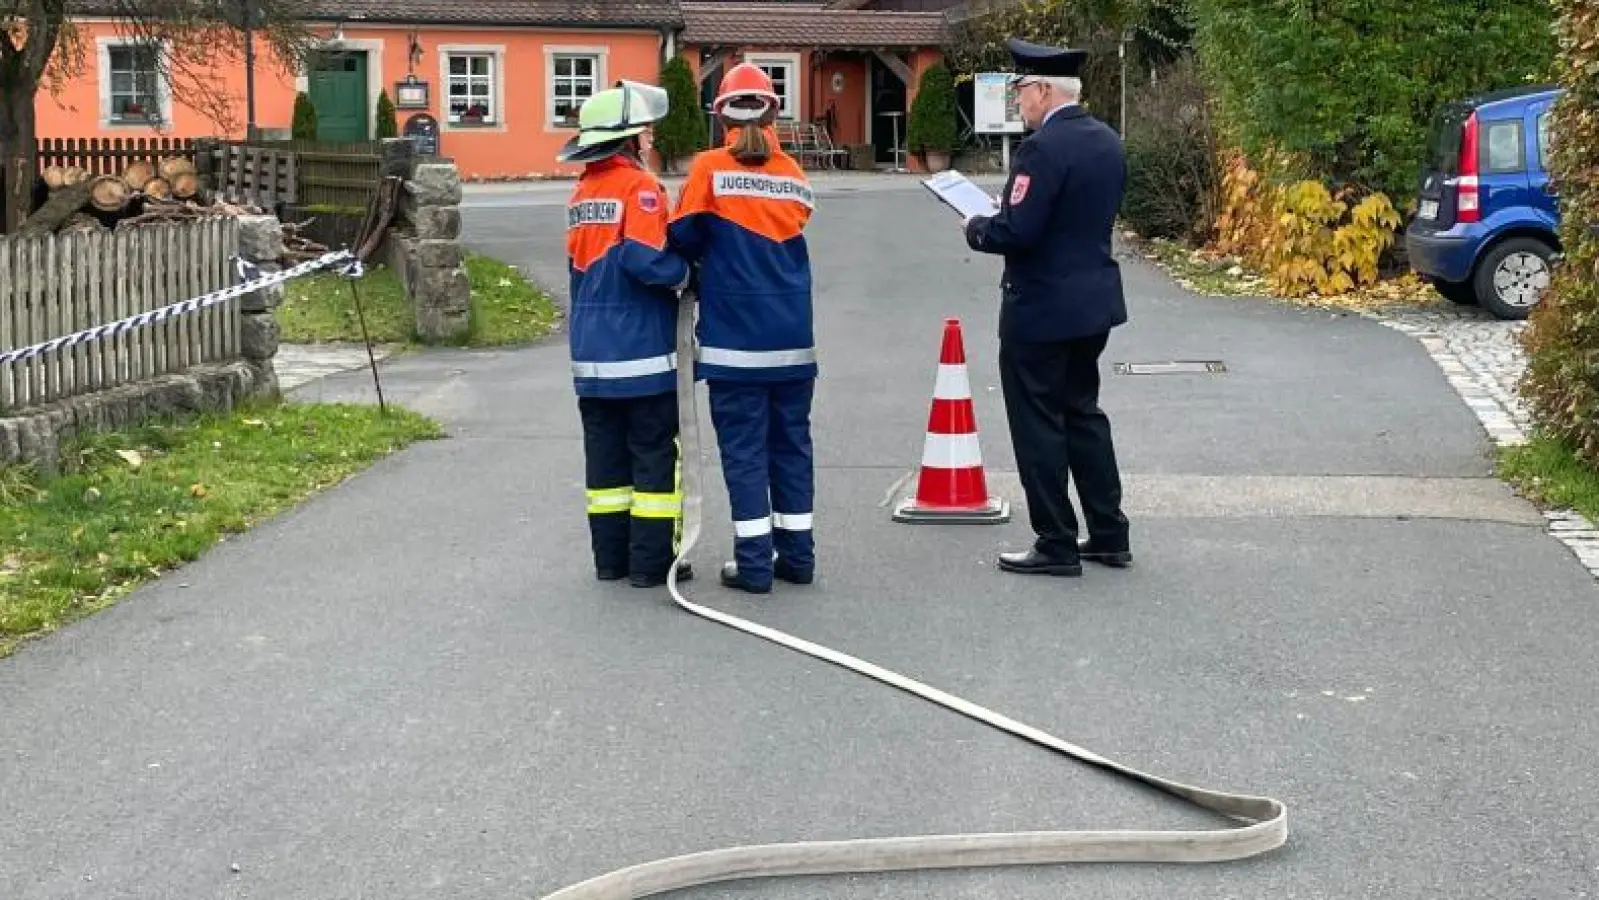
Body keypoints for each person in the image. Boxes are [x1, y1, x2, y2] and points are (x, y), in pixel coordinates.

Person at [961, 38, 1133, 578]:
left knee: (1037, 423)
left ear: (1042, 90)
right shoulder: (1106, 140)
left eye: (1021, 92)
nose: (1020, 103)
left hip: (1040, 308)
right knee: (1083, 413)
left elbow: (1019, 230)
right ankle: (1108, 532)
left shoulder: (1042, 149)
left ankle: (1055, 539)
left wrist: (976, 226)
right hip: (1093, 303)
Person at [668, 63, 818, 595]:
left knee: (745, 452)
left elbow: (681, 237)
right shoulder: (793, 173)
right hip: (795, 340)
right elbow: (797, 224)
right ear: (774, 111)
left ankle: (754, 565)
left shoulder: (709, 169)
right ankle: (797, 557)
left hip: (735, 343)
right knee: (792, 447)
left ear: (720, 114)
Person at [559, 80, 695, 589]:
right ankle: (652, 565)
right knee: (655, 461)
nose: (649, 139)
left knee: (606, 468)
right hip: (641, 356)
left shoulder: (581, 193)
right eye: (643, 132)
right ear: (629, 140)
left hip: (591, 358)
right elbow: (644, 259)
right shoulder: (638, 188)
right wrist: (685, 274)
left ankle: (610, 560)